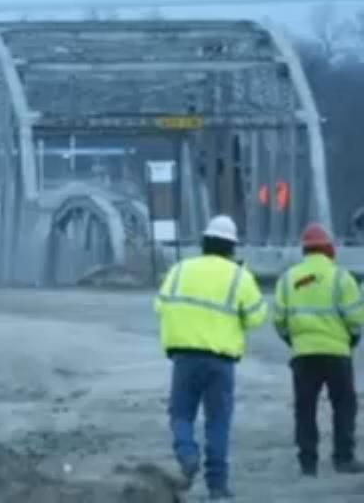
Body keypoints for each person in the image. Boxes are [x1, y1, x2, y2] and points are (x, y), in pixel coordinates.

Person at [155, 214, 268, 500]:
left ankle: (187, 453)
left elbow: (160, 306)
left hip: (184, 358)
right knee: (218, 422)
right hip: (221, 362)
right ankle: (217, 486)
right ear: (232, 247)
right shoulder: (239, 277)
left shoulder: (180, 270)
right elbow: (257, 318)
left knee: (181, 413)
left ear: (204, 242)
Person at [273, 222, 364, 476]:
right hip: (337, 353)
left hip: (303, 355)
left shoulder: (289, 279)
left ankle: (308, 463)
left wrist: (295, 341)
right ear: (329, 249)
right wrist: (351, 340)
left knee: (305, 409)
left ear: (305, 250)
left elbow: (279, 320)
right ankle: (344, 458)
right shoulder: (341, 278)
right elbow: (356, 319)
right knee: (344, 405)